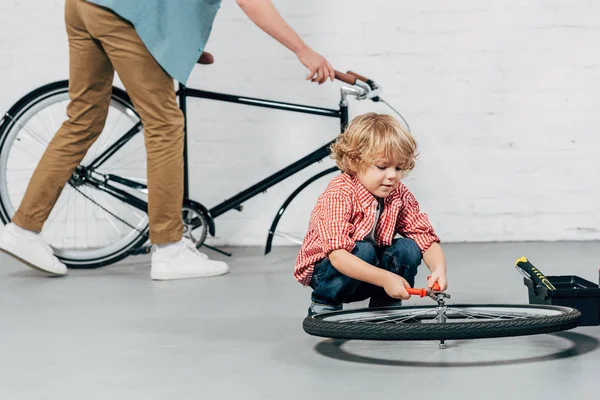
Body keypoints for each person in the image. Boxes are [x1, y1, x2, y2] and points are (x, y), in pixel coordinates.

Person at [0, 0, 335, 280]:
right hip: (126, 16)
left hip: (87, 6)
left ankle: (23, 229)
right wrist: (302, 49)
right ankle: (169, 249)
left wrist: (176, 46)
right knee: (165, 125)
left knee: (83, 120)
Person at [294, 113, 448, 315]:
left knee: (408, 247)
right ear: (355, 161)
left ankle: (386, 303)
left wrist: (438, 269)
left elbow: (424, 237)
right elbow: (338, 256)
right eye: (382, 167)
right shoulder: (339, 192)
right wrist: (386, 278)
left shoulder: (398, 193)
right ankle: (325, 302)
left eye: (398, 167)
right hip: (330, 272)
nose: (392, 175)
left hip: (371, 273)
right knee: (363, 250)